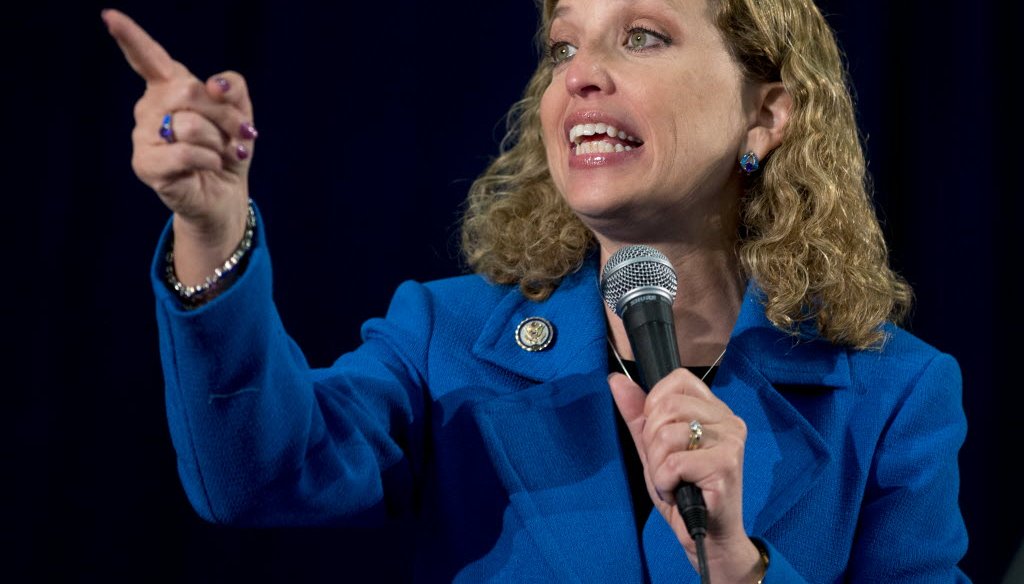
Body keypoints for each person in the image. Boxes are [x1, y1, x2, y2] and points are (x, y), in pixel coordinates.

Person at [103, 0, 970, 581]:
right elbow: (256, 477)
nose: (579, 74)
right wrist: (212, 229)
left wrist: (740, 567)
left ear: (767, 113)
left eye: (642, 36)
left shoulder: (895, 395)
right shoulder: (445, 337)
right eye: (564, 45)